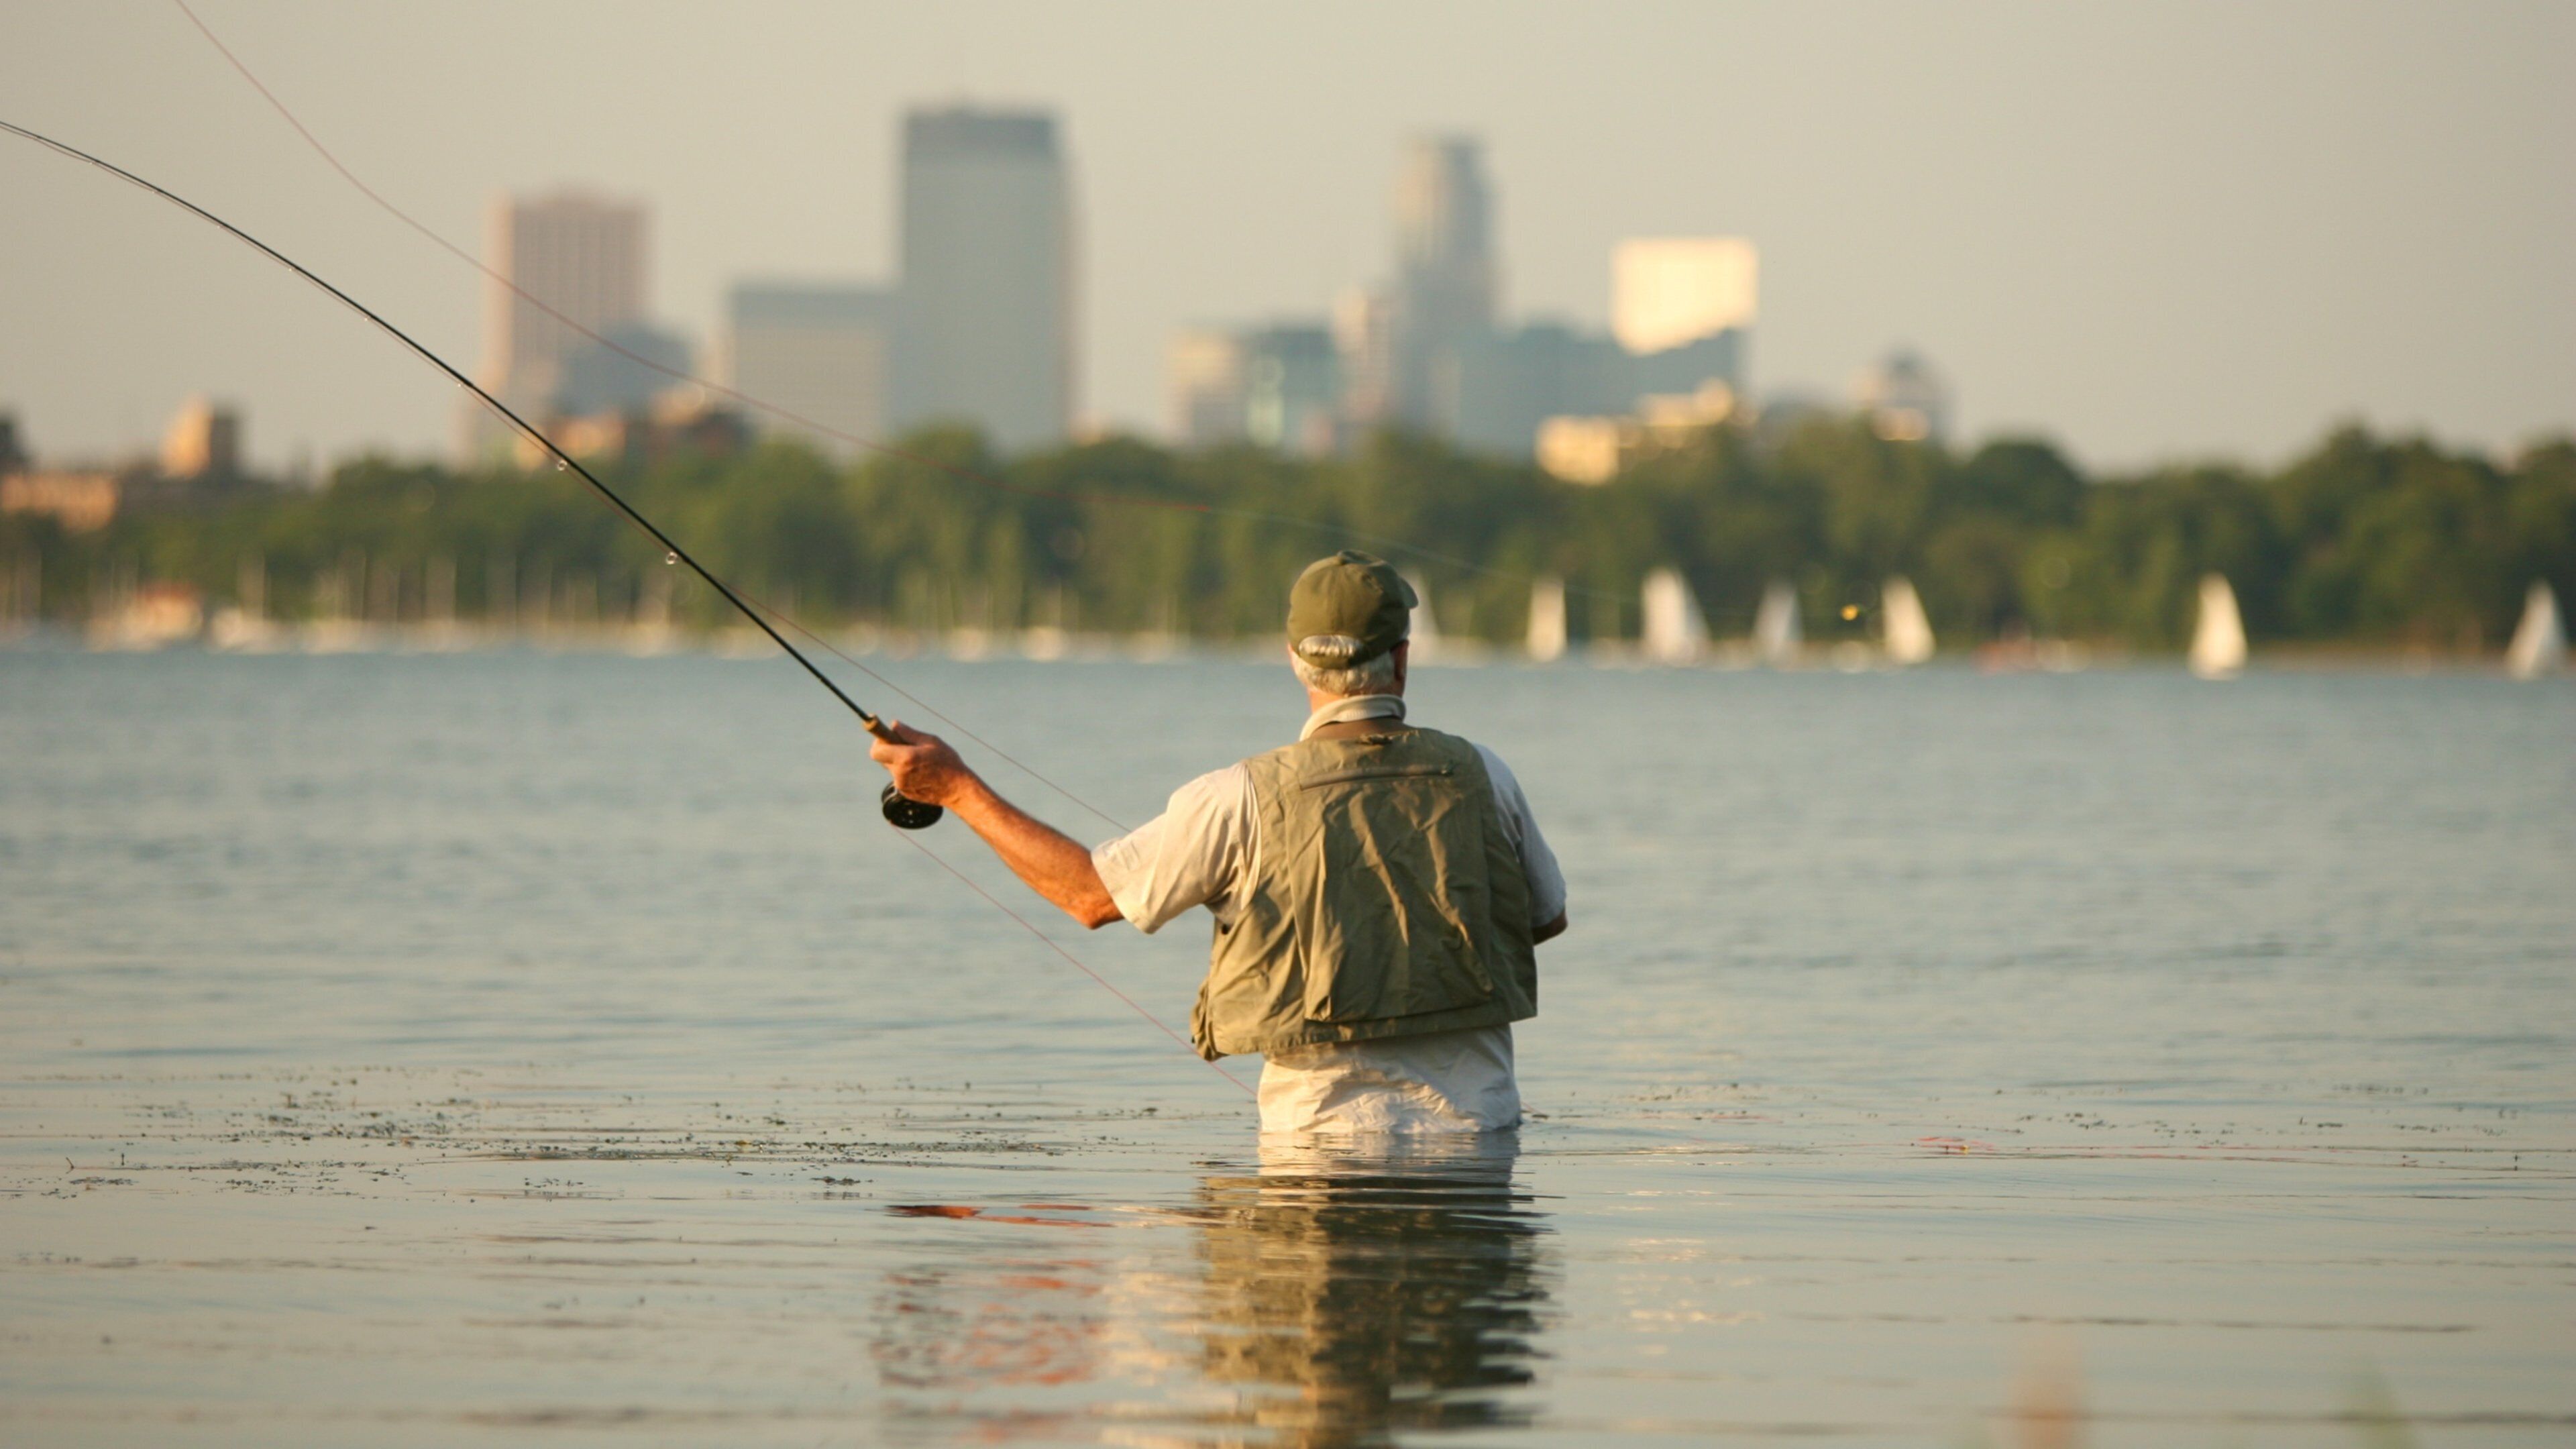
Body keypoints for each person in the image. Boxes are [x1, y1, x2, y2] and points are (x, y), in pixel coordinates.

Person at [868, 549, 1568, 1134]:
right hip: (1481, 1145)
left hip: (1313, 1154)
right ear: (1403, 661)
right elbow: (1545, 917)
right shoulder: (1487, 776)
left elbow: (1087, 895)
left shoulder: (1236, 798)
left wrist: (957, 790)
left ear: (1297, 662)